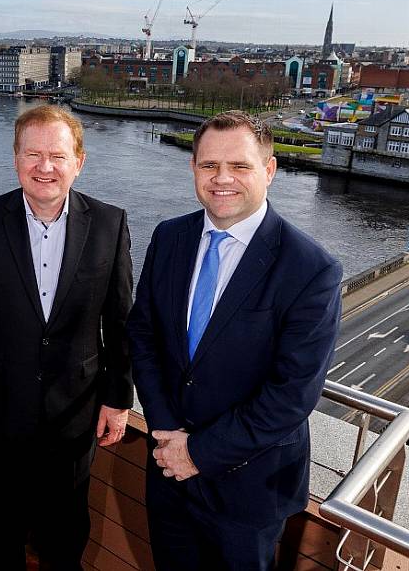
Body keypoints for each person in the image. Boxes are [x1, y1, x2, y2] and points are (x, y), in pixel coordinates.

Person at [128, 111, 343, 570]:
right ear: (193, 169)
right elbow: (143, 334)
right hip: (168, 469)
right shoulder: (170, 237)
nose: (222, 179)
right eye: (209, 166)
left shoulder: (311, 269)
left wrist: (197, 453)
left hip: (249, 490)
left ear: (269, 170)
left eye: (240, 166)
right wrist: (167, 433)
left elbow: (292, 395)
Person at [0, 105, 134, 571]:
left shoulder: (110, 225)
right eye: (33, 154)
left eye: (57, 154)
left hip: (79, 412)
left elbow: (120, 321)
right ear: (15, 159)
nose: (45, 167)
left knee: (68, 530)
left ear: (79, 161)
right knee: (1, 524)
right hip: (2, 408)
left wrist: (117, 399)